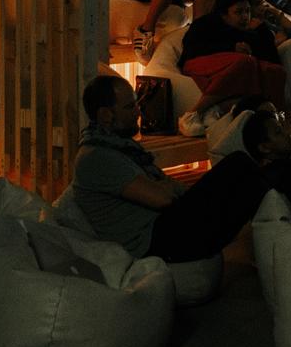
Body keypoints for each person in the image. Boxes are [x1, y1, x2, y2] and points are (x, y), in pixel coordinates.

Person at [71, 74, 273, 263]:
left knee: (246, 175)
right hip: (154, 241)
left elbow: (166, 189)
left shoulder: (117, 147)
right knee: (238, 165)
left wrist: (171, 187)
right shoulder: (96, 157)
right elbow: (162, 198)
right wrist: (170, 186)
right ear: (106, 115)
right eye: (129, 107)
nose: (138, 112)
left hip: (163, 226)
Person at [179, 0, 291, 113]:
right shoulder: (206, 24)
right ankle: (195, 112)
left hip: (234, 64)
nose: (245, 17)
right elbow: (193, 48)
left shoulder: (248, 30)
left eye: (247, 11)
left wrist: (262, 30)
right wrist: (231, 48)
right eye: (238, 12)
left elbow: (271, 59)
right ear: (224, 14)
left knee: (275, 71)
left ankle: (271, 116)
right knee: (246, 62)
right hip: (196, 61)